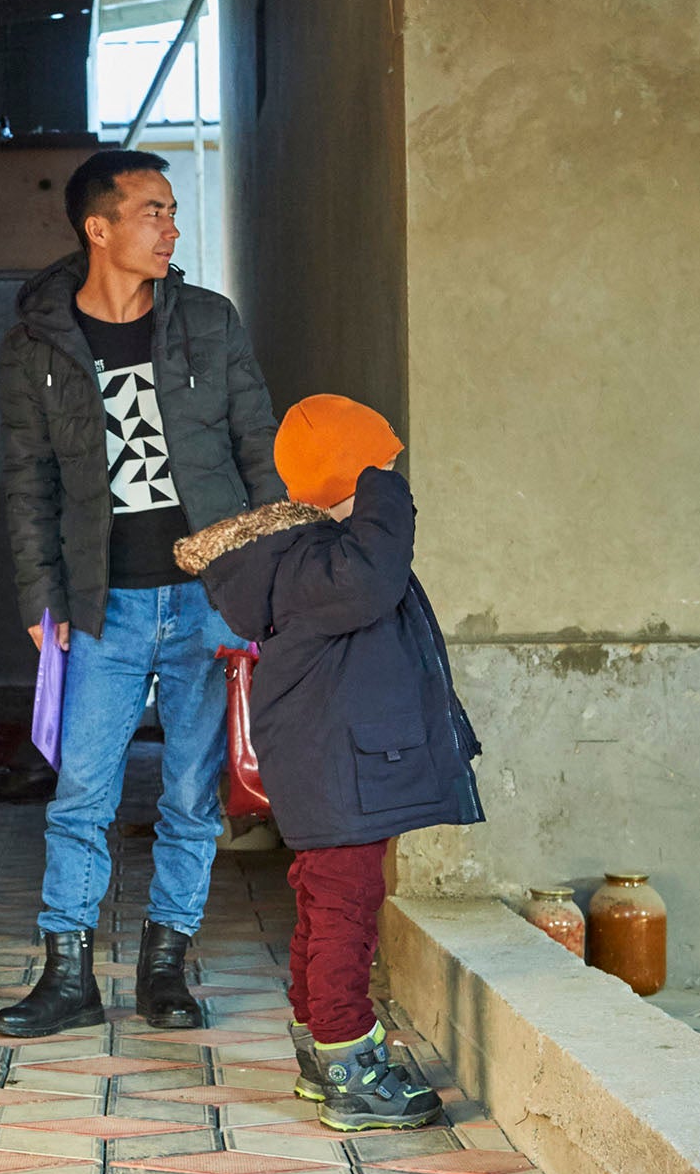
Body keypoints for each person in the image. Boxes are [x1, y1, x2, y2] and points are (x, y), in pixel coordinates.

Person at [0, 149, 284, 1037]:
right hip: (103, 601)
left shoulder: (208, 320)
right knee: (82, 792)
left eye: (171, 211)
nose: (172, 227)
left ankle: (167, 970)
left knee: (194, 796)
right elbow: (28, 481)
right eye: (154, 211)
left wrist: (266, 581)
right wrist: (44, 603)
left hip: (209, 596)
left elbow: (258, 453)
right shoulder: (36, 344)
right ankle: (68, 977)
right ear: (100, 228)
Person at [176, 394, 485, 1130]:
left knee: (327, 906)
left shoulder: (311, 560)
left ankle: (324, 1051)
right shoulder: (323, 564)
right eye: (380, 467)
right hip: (338, 771)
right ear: (355, 474)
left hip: (339, 766)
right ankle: (350, 1060)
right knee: (343, 911)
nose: (392, 478)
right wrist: (382, 484)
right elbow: (377, 569)